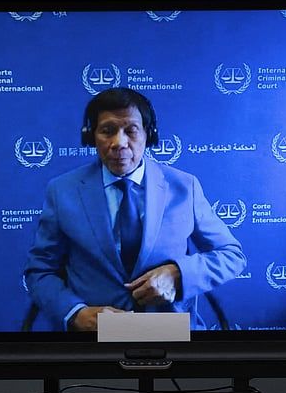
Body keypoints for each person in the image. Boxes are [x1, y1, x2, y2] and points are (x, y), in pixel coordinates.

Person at [24, 88, 246, 331]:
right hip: (95, 338)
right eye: (107, 131)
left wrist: (178, 275)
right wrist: (76, 313)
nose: (119, 143)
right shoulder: (62, 191)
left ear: (149, 135)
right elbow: (39, 271)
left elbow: (231, 255)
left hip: (169, 334)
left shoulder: (185, 187)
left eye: (131, 130)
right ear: (91, 136)